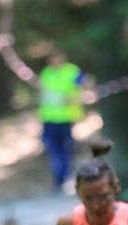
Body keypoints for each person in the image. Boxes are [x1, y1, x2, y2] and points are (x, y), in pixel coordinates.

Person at [38, 50, 85, 193]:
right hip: (49, 118)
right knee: (52, 149)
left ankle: (66, 176)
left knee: (66, 148)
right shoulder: (46, 73)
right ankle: (59, 178)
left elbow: (87, 85)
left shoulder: (72, 71)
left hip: (66, 117)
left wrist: (74, 99)